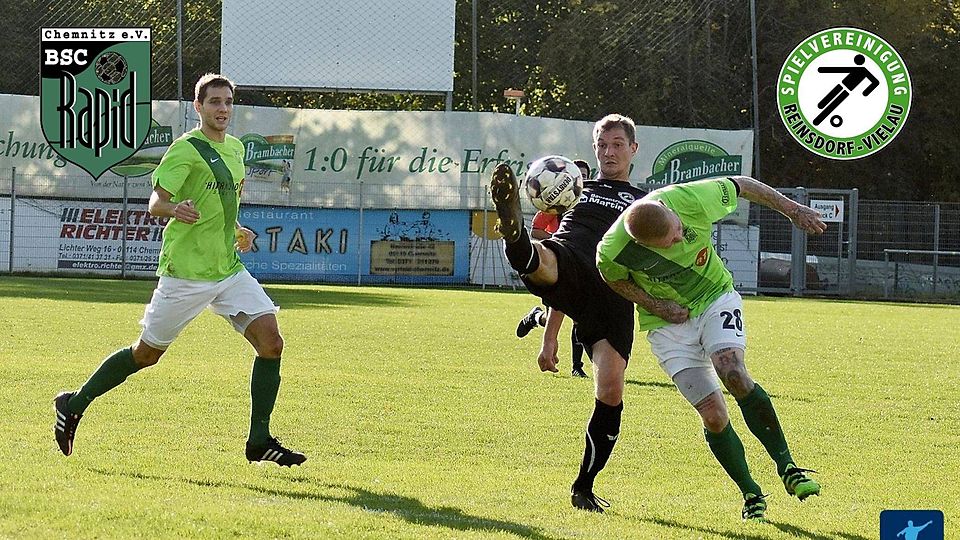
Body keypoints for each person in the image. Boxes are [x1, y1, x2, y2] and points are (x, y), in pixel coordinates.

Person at [53, 73, 306, 467]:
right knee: (146, 354)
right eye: (214, 102)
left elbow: (222, 203)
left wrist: (237, 229)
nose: (222, 109)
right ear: (198, 107)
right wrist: (175, 209)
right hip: (186, 272)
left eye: (227, 102)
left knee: (271, 343)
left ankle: (258, 440)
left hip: (227, 268)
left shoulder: (237, 149)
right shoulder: (186, 149)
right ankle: (74, 403)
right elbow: (155, 203)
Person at [596, 175, 827, 520]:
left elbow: (743, 184)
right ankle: (751, 494)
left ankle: (788, 467)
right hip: (666, 325)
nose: (678, 238)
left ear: (668, 210)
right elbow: (611, 276)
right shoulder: (613, 249)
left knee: (733, 373)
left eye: (677, 230)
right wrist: (654, 304)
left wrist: (792, 210)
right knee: (714, 415)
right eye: (669, 242)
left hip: (713, 297)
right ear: (644, 245)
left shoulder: (689, 199)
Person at [491, 114, 647, 512]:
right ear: (594, 150)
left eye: (616, 144)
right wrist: (549, 337)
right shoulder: (579, 187)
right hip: (574, 257)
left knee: (610, 391)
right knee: (544, 259)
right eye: (602, 145)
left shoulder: (646, 201)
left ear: (633, 148)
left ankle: (584, 486)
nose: (608, 152)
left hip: (613, 289)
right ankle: (516, 236)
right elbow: (559, 282)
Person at [515, 159, 593, 378]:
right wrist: (558, 243)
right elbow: (535, 232)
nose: (584, 180)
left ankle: (577, 367)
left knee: (579, 318)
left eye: (586, 176)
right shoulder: (555, 201)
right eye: (580, 175)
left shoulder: (588, 205)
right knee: (554, 316)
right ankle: (536, 317)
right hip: (557, 266)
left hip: (580, 266)